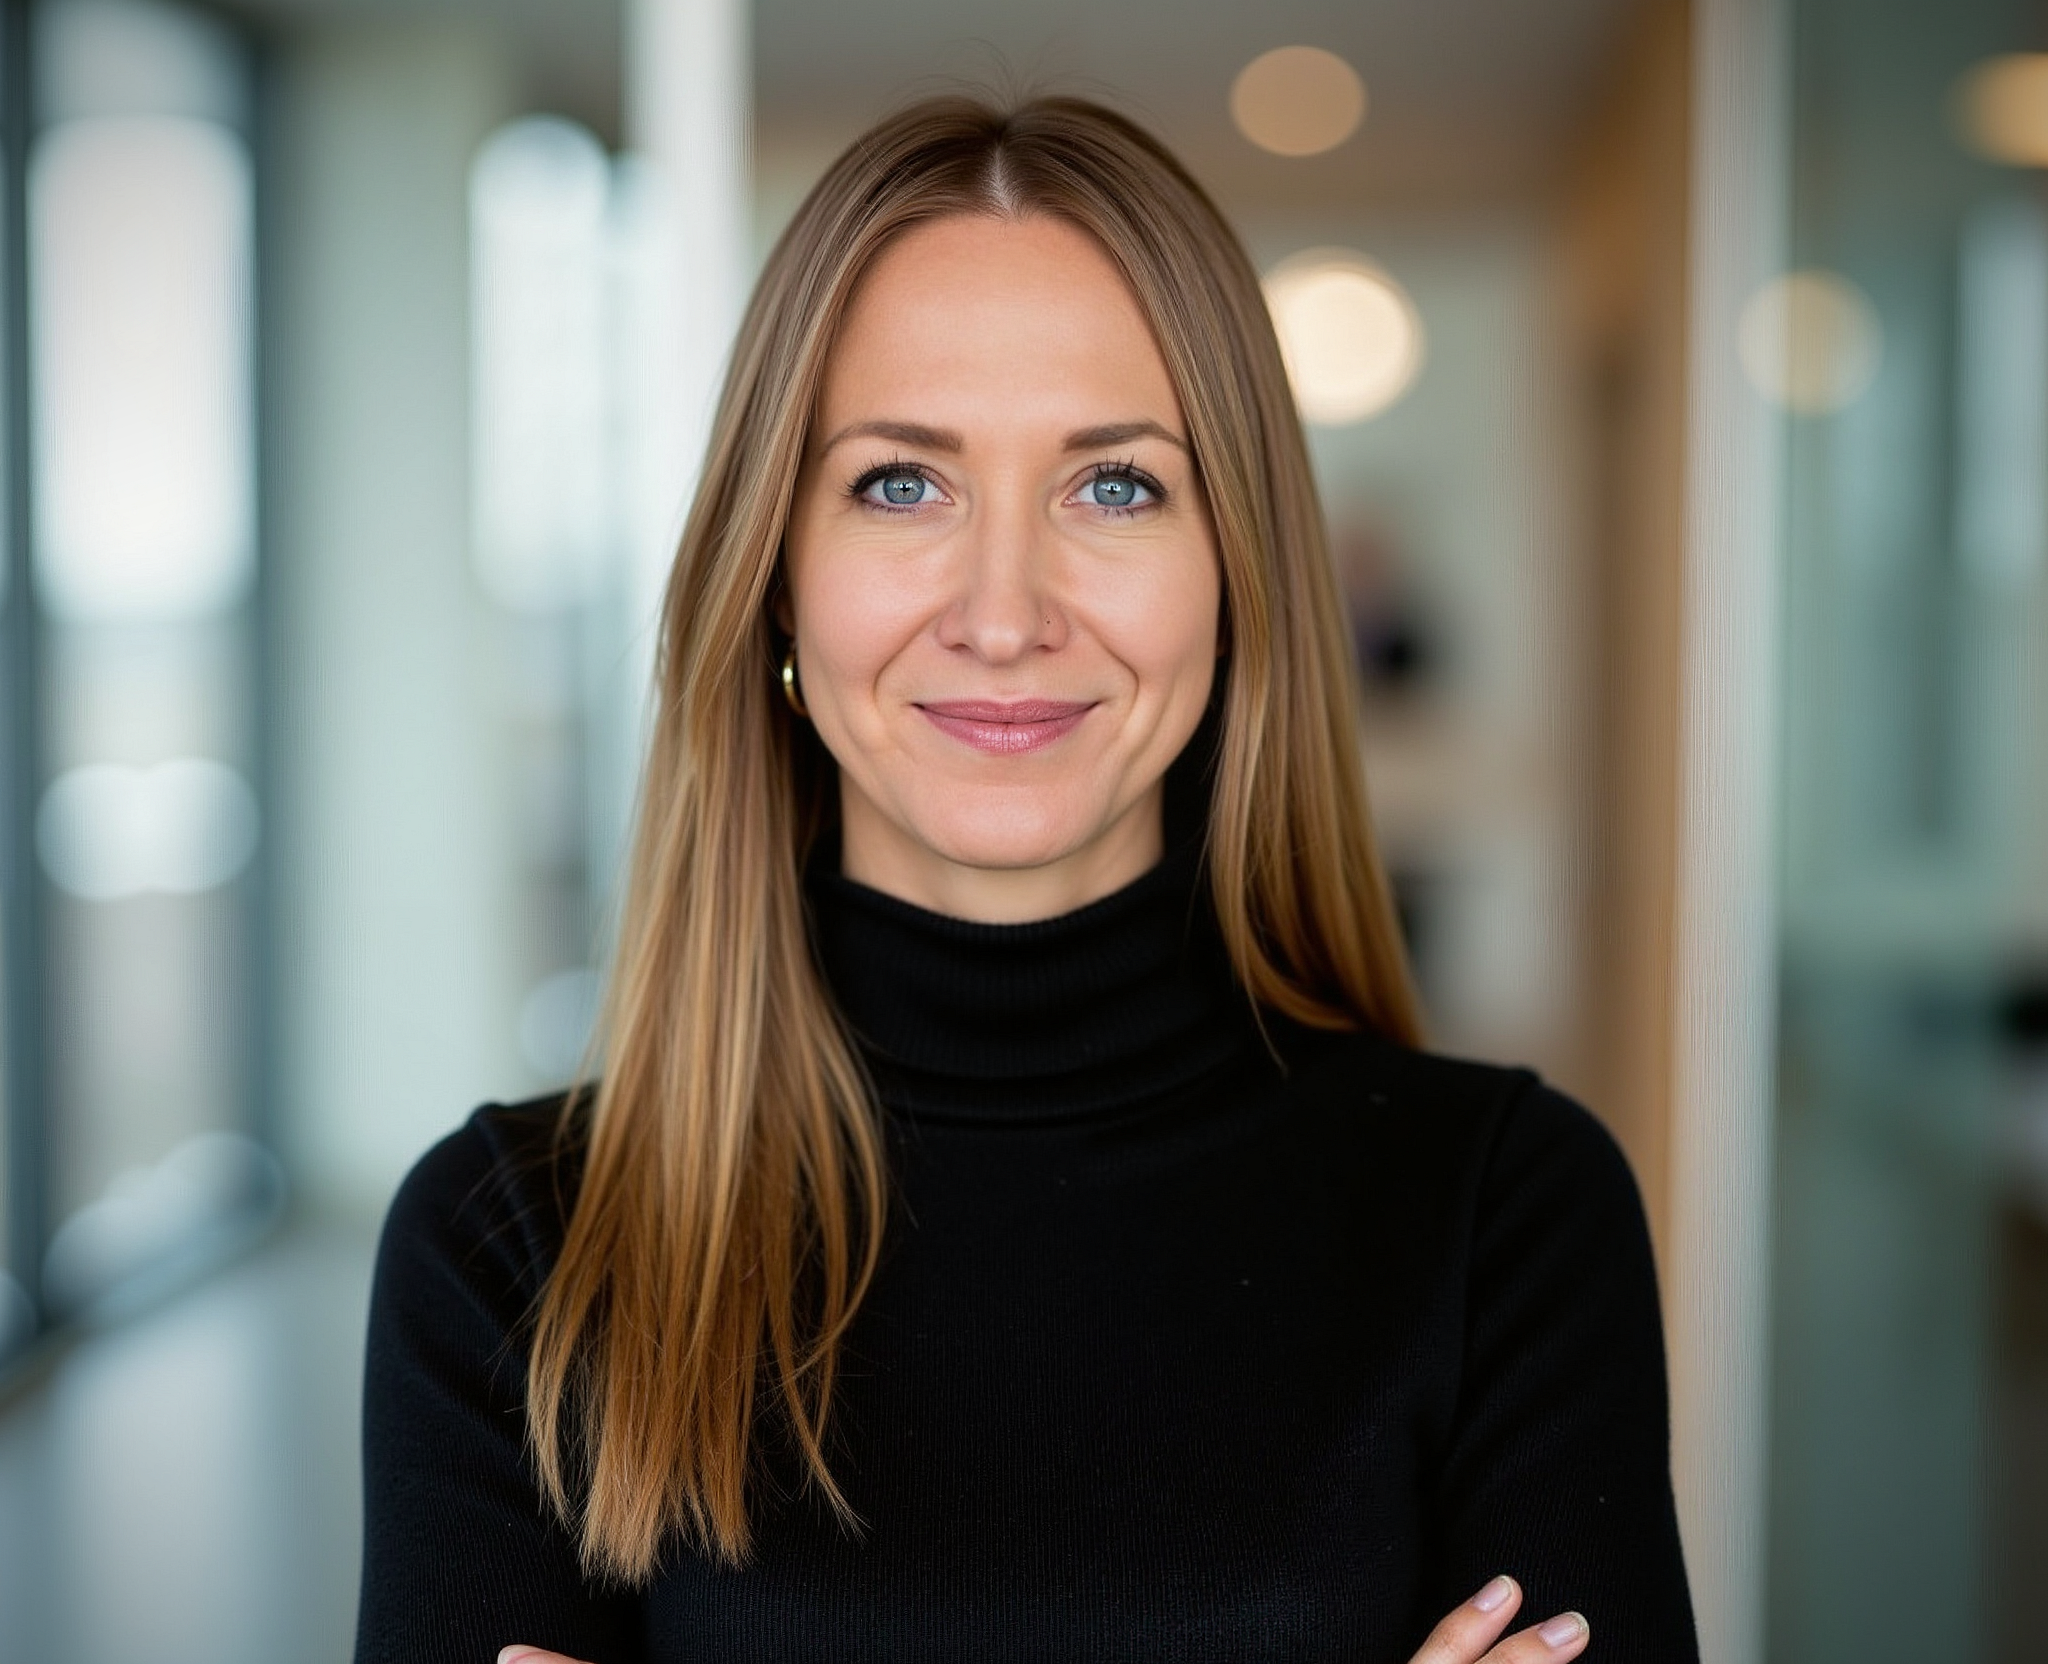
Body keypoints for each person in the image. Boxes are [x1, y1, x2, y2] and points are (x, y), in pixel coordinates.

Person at [353, 96, 1698, 1664]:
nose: (1004, 614)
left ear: (1239, 573)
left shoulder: (1509, 1222)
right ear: (774, 574)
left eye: (1114, 485)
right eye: (900, 485)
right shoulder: (514, 1253)